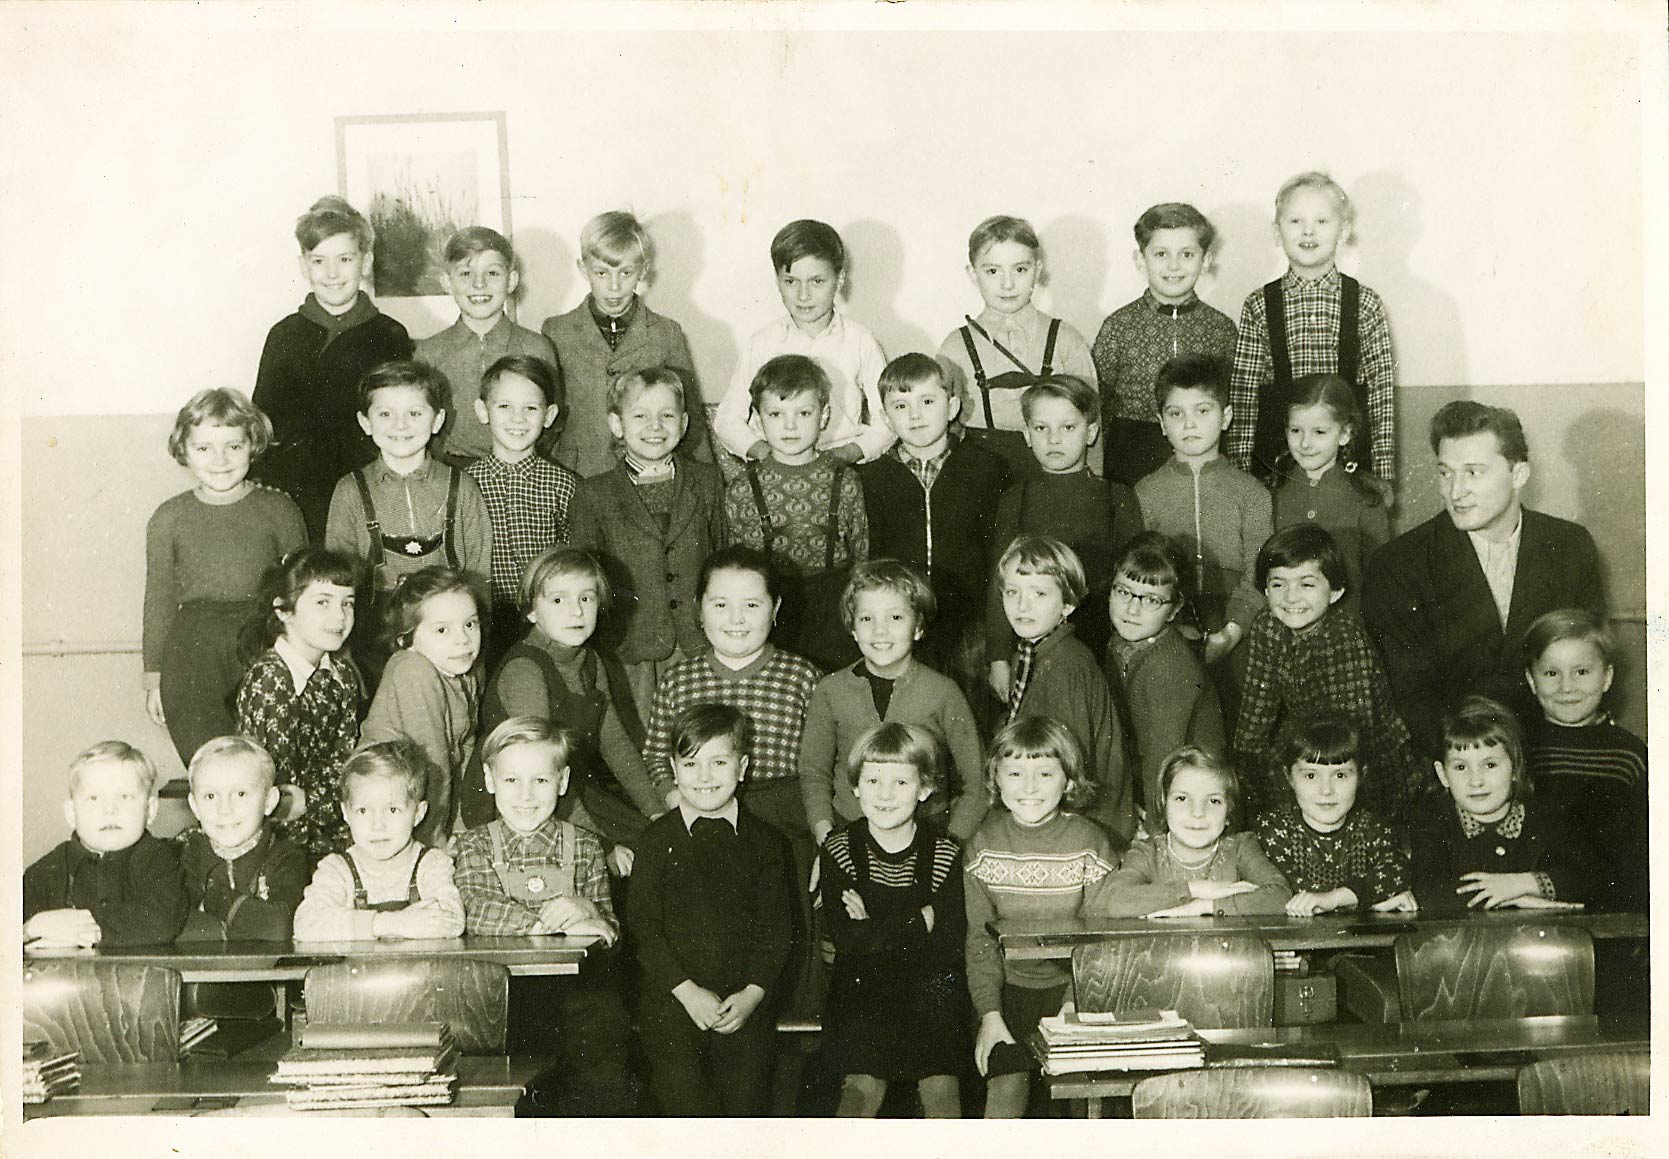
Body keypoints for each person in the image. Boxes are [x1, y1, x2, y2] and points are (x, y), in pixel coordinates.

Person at [1362, 400, 1606, 760]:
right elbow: (1413, 700)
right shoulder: (1398, 564)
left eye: (1473, 472)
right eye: (1445, 473)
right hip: (1456, 764)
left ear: (1518, 475)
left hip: (1556, 755)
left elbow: (1588, 669)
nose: (1455, 491)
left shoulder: (1571, 546)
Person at [453, 716, 638, 1116]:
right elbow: (478, 908)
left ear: (563, 781)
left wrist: (592, 912)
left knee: (604, 1048)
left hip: (577, 999)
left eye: (540, 780)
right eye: (511, 780)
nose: (526, 795)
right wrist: (558, 922)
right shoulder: (474, 845)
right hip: (504, 999)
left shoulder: (586, 846)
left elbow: (609, 933)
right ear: (489, 780)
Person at [627, 703, 794, 1117]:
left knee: (746, 1107)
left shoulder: (768, 843)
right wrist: (686, 992)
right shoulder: (655, 841)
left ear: (743, 767)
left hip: (744, 1005)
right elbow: (643, 927)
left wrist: (753, 994)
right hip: (673, 1000)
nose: (704, 776)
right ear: (673, 769)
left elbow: (778, 930)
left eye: (718, 762)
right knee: (684, 1106)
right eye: (691, 763)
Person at [963, 717, 1117, 1118]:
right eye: (1015, 773)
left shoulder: (1090, 843)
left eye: (1045, 774)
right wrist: (990, 1015)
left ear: (1068, 781)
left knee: (1079, 1101)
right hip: (1006, 992)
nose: (1029, 787)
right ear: (996, 778)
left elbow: (1102, 939)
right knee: (1005, 1092)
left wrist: (1073, 1005)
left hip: (1075, 989)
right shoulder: (982, 845)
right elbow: (979, 940)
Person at [143, 388, 307, 763]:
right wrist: (153, 677)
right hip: (193, 651)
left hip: (264, 641)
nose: (220, 460)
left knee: (267, 763)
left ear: (253, 446)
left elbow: (303, 591)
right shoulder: (168, 518)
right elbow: (158, 599)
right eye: (204, 448)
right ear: (184, 450)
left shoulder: (279, 509)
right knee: (209, 762)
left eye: (233, 446)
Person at [465, 548, 661, 854]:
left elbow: (615, 744)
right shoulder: (525, 670)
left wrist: (655, 810)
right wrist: (602, 846)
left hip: (568, 789)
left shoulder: (590, 660)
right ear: (532, 611)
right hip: (520, 804)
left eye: (587, 598)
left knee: (657, 839)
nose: (576, 611)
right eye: (558, 600)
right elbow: (541, 769)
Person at [819, 722, 969, 1118]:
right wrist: (918, 921)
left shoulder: (944, 853)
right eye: (873, 781)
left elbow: (949, 943)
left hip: (929, 994)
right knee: (862, 1086)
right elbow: (848, 940)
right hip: (861, 995)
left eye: (900, 783)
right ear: (855, 787)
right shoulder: (839, 850)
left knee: (941, 1086)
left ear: (924, 789)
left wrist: (873, 924)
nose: (884, 795)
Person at [1233, 524, 1424, 822]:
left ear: (1335, 592)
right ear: (1265, 590)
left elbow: (1349, 737)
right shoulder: (1267, 626)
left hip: (1360, 752)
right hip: (1306, 735)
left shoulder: (1344, 639)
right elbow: (1256, 708)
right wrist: (1243, 769)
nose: (1291, 597)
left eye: (1306, 585)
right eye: (1279, 584)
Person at [567, 365, 728, 718]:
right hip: (630, 649)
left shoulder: (707, 481)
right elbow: (584, 579)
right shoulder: (593, 494)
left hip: (697, 643)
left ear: (684, 424)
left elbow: (720, 555)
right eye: (640, 416)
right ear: (617, 424)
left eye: (666, 415)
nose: (655, 426)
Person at [251, 195, 413, 539]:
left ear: (366, 262)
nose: (332, 273)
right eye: (319, 260)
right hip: (296, 496)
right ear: (303, 266)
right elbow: (263, 424)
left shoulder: (390, 335)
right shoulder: (283, 335)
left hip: (368, 493)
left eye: (345, 259)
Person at [325, 359, 492, 682]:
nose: (400, 425)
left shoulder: (461, 487)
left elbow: (480, 578)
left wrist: (477, 664)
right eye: (385, 414)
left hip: (449, 632)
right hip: (375, 641)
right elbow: (337, 581)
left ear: (437, 420)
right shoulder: (350, 490)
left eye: (415, 413)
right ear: (365, 422)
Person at [1226, 171, 1397, 483]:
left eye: (1321, 221)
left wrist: (1382, 476)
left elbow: (1381, 397)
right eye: (1295, 221)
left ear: (1343, 231)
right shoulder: (1259, 305)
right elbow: (1244, 396)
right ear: (1277, 232)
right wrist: (1240, 477)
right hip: (1281, 465)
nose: (1308, 231)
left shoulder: (1366, 303)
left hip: (1348, 464)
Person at [800, 561, 987, 845]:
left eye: (895, 617)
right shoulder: (830, 690)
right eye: (866, 619)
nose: (880, 631)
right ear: (853, 628)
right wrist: (827, 837)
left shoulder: (943, 692)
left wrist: (952, 842)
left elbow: (978, 778)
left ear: (918, 627)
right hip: (849, 833)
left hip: (928, 835)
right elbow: (814, 772)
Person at [856, 352, 1009, 679]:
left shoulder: (986, 469)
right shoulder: (871, 478)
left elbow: (999, 555)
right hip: (898, 625)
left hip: (970, 624)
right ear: (886, 418)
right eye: (901, 406)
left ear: (952, 407)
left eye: (927, 402)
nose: (915, 415)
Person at [982, 373, 1142, 666]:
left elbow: (1134, 581)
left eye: (1068, 427)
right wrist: (998, 659)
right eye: (1041, 428)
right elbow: (999, 584)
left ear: (1091, 433)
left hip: (1102, 648)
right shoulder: (1015, 499)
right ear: (1027, 435)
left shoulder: (1117, 497)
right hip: (1030, 649)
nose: (1053, 439)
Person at [724, 353, 868, 670]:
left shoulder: (845, 481)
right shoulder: (742, 488)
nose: (790, 425)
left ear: (824, 415)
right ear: (758, 419)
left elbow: (862, 557)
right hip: (769, 616)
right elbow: (736, 570)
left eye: (804, 413)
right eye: (776, 414)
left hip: (834, 614)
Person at [541, 210, 711, 476]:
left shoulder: (667, 333)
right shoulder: (556, 332)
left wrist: (705, 482)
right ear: (583, 269)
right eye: (601, 273)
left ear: (643, 270)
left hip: (649, 474)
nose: (614, 286)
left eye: (626, 272)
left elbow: (691, 419)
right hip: (577, 475)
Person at [992, 536, 1134, 848]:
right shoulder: (1032, 653)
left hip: (1085, 827)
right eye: (1012, 592)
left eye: (1039, 593)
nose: (1022, 605)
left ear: (1067, 605)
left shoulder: (1066, 666)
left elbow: (1069, 769)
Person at [713, 218, 891, 466]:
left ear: (839, 280)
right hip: (775, 463)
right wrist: (766, 454)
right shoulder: (762, 343)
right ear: (777, 281)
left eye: (817, 281)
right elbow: (727, 420)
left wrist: (847, 454)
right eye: (791, 281)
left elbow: (888, 420)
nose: (803, 295)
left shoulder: (860, 341)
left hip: (841, 464)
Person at [1135, 353, 1271, 667]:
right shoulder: (1145, 492)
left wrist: (1231, 634)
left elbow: (1259, 573)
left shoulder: (1252, 493)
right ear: (1162, 423)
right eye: (1176, 413)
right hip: (1166, 627)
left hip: (1238, 626)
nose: (1189, 423)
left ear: (1226, 417)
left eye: (1203, 410)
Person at [935, 215, 1096, 479]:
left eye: (1020, 270)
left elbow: (1091, 424)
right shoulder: (955, 348)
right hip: (979, 477)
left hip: (1053, 475)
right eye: (993, 271)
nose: (1007, 284)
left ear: (1038, 270)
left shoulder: (1066, 339)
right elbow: (940, 431)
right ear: (973, 274)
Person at [1092, 202, 1238, 487]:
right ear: (1140, 260)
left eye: (1187, 254)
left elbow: (1235, 402)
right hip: (1133, 455)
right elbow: (1098, 404)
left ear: (1206, 260)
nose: (1174, 266)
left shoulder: (1221, 328)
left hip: (1204, 452)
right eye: (1161, 254)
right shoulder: (1118, 326)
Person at [1409, 695, 1599, 913]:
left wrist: (1522, 884)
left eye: (1489, 765)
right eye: (1461, 767)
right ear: (1443, 774)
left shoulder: (1547, 817)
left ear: (1516, 768)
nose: (1476, 781)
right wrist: (1514, 901)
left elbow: (1587, 878)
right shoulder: (1432, 823)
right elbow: (1429, 892)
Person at [234, 547, 363, 863]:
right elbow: (283, 804)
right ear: (284, 610)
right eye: (323, 603)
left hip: (333, 829)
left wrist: (319, 803)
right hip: (277, 846)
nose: (339, 616)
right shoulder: (270, 681)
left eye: (347, 603)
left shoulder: (342, 675)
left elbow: (344, 765)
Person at [1521, 609, 1647, 912]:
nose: (1567, 687)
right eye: (1551, 673)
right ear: (1531, 680)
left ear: (1607, 677)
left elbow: (1640, 862)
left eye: (1581, 672)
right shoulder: (1518, 749)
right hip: (1524, 903)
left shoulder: (1629, 756)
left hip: (1608, 908)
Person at [1102, 532, 1225, 830]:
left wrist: (1154, 837)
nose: (1132, 609)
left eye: (1151, 600)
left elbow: (1162, 764)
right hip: (1147, 794)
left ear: (1174, 609)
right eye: (1123, 591)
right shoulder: (1120, 643)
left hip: (1187, 807)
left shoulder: (1168, 667)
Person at [464, 355, 578, 669]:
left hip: (548, 616)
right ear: (482, 411)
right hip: (486, 618)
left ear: (549, 415)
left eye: (531, 408)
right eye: (504, 406)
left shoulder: (564, 484)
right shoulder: (465, 484)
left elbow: (575, 558)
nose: (518, 419)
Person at [358, 568, 484, 848]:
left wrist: (463, 824)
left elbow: (465, 749)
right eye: (442, 630)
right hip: (384, 809)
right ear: (406, 638)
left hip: (424, 801)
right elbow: (433, 762)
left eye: (470, 624)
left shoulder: (463, 671)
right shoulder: (413, 669)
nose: (463, 639)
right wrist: (436, 843)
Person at [292, 739, 466, 940]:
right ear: (346, 813)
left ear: (418, 813)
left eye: (392, 810)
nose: (377, 825)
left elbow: (452, 921)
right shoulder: (337, 869)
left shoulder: (431, 863)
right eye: (363, 811)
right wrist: (391, 923)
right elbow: (306, 924)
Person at [414, 225, 559, 463]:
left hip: (521, 467)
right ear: (447, 283)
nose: (479, 284)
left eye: (492, 273)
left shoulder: (537, 348)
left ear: (511, 281)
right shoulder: (430, 352)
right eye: (465, 274)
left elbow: (550, 424)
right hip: (451, 469)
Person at [23, 741, 188, 947]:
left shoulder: (159, 860)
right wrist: (31, 928)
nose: (110, 809)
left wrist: (84, 927)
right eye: (93, 798)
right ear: (71, 813)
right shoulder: (47, 871)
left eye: (125, 797)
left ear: (150, 810)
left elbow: (163, 919)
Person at [1096, 746, 1290, 917]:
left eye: (1213, 801)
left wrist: (1203, 907)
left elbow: (1281, 895)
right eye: (1182, 799)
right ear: (1163, 805)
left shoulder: (1240, 847)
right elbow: (1116, 901)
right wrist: (1197, 889)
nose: (1198, 813)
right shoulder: (1147, 852)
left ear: (1229, 811)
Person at [1253, 717, 1414, 916]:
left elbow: (1398, 871)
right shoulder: (1274, 829)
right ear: (1289, 777)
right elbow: (1286, 890)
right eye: (1311, 775)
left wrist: (1334, 900)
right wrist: (1367, 902)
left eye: (1340, 775)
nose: (1326, 790)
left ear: (1361, 776)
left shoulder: (1373, 828)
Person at [1268, 373, 1392, 610]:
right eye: (1296, 430)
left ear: (1345, 433)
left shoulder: (1367, 498)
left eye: (1319, 432)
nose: (1305, 443)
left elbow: (1381, 580)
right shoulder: (1273, 492)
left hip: (1348, 622)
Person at [177, 735, 307, 941]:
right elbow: (171, 926)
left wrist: (213, 899)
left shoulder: (286, 857)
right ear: (195, 806)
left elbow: (278, 927)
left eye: (240, 794)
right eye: (210, 796)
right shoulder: (186, 855)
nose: (224, 809)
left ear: (269, 801)